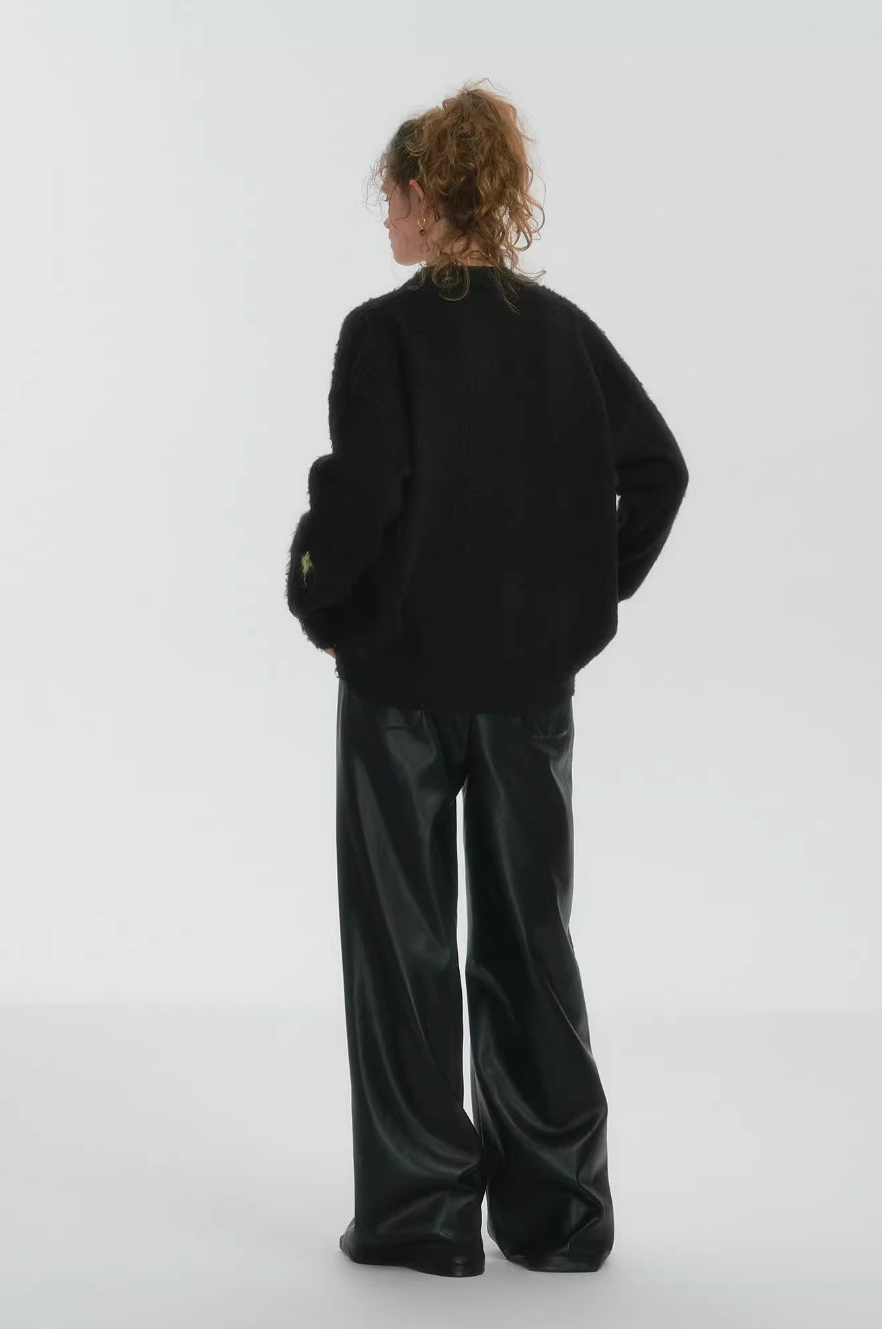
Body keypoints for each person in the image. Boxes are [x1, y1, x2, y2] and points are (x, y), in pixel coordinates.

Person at [284, 82, 690, 1278]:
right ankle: (560, 1217)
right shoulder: (562, 334)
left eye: (391, 200)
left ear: (423, 196)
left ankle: (422, 1216)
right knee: (529, 943)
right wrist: (582, 606)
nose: (387, 221)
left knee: (404, 952)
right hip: (526, 692)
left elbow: (362, 498)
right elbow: (658, 472)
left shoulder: (383, 333)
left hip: (400, 689)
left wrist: (319, 602)